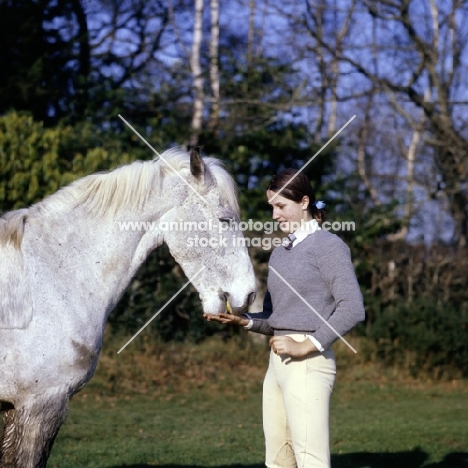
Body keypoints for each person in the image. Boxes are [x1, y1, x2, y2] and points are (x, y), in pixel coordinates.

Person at [204, 169, 365, 468]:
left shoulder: (328, 247)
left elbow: (353, 307)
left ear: (304, 202)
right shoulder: (280, 252)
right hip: (276, 367)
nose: (275, 214)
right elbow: (276, 318)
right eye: (271, 207)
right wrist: (245, 321)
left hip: (309, 363)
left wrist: (308, 345)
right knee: (278, 460)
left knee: (311, 461)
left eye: (281, 206)